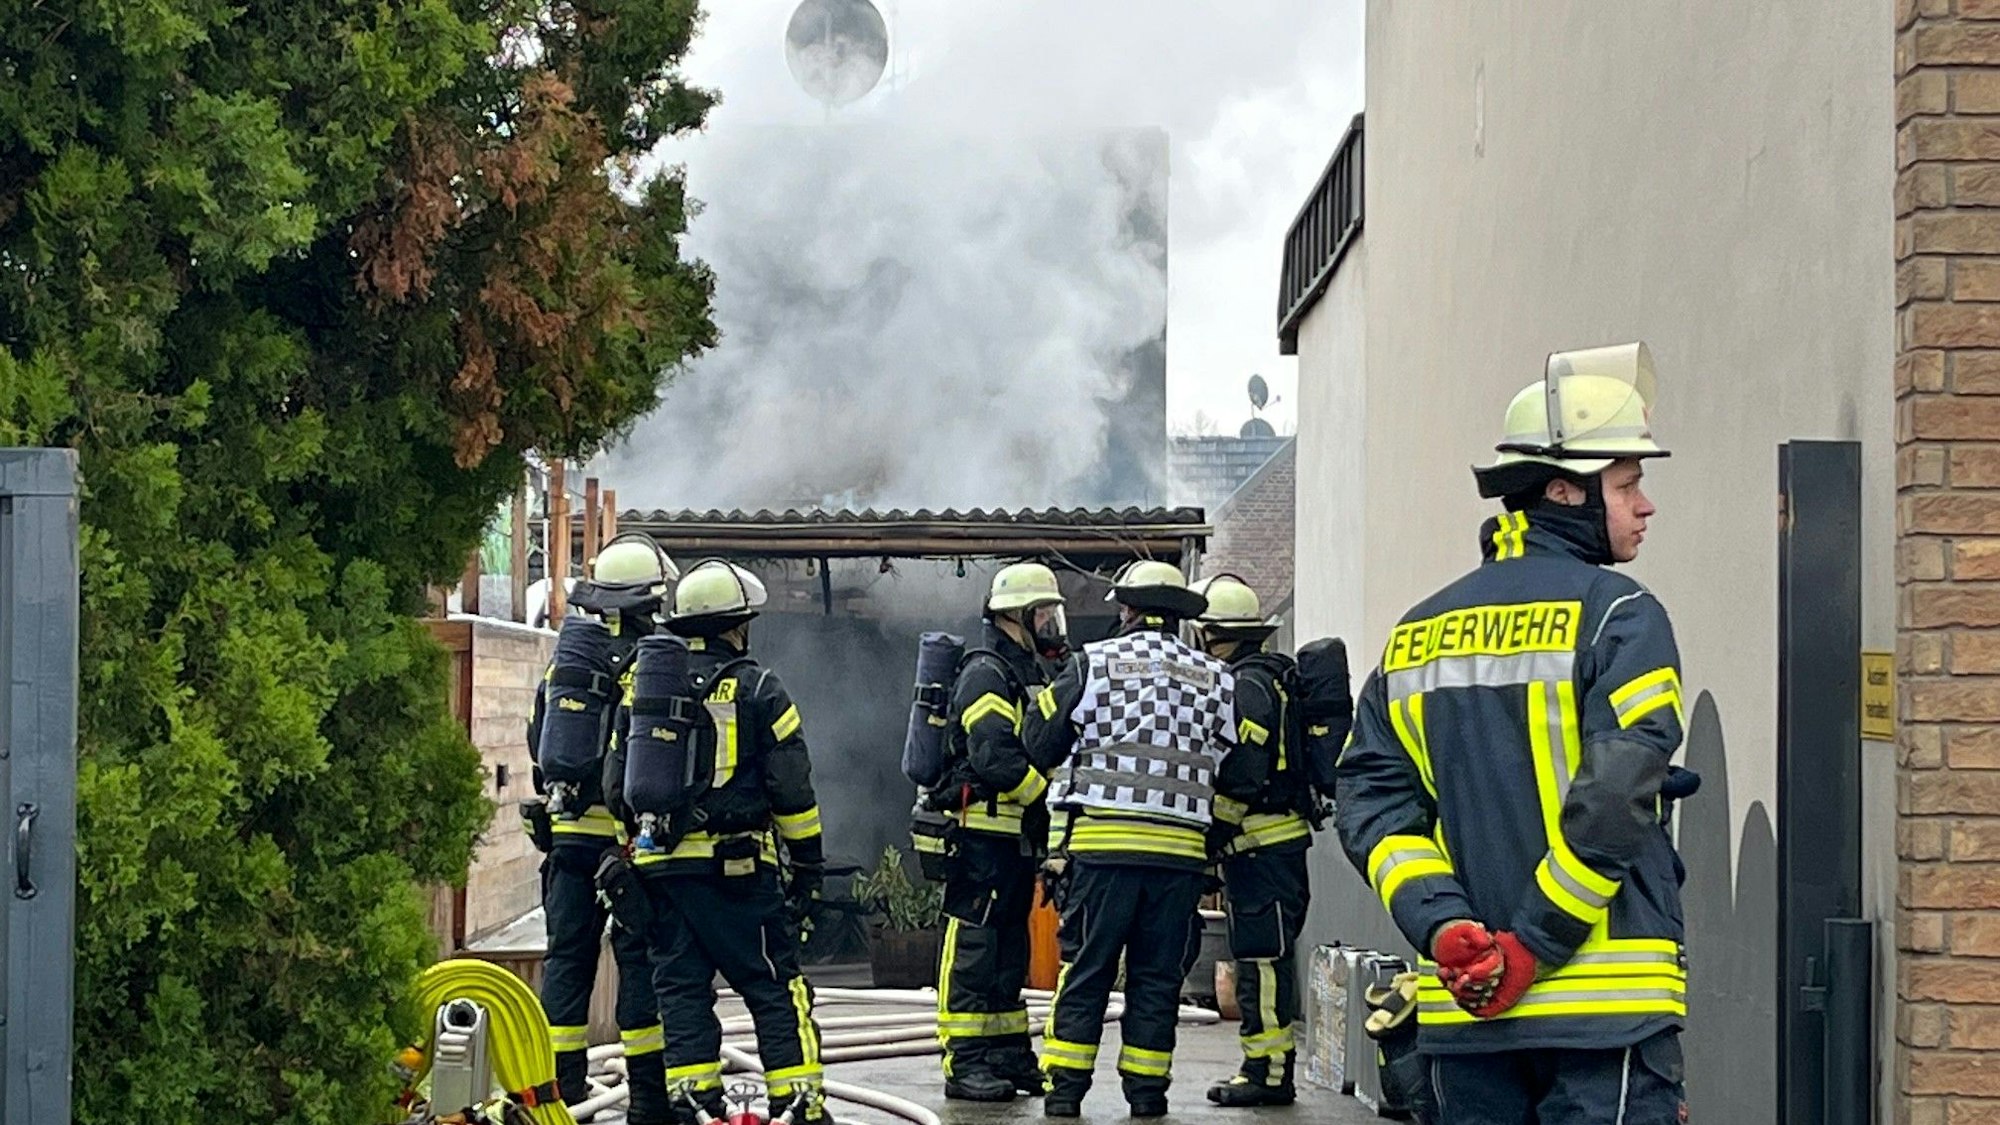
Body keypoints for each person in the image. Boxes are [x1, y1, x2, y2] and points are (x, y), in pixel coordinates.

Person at [1333, 342, 1691, 1124]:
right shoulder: (1620, 616)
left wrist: (1445, 927)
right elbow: (1615, 799)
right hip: (1606, 1019)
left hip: (1466, 1021)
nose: (1645, 505)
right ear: (1565, 491)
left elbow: (1372, 807)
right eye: (1627, 484)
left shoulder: (1415, 636)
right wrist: (1532, 944)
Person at [606, 559, 832, 1125]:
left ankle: (694, 1106)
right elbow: (792, 791)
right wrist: (807, 865)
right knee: (774, 987)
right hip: (738, 876)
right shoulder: (759, 687)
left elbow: (614, 787)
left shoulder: (642, 687)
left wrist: (640, 850)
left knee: (681, 994)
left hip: (660, 873)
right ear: (736, 626)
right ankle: (798, 1105)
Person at [1025, 560, 1238, 1119]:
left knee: (1087, 972)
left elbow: (1039, 740)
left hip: (1104, 854)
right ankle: (1146, 1096)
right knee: (1157, 981)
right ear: (1180, 616)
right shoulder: (1218, 678)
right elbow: (1232, 766)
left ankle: (1065, 1093)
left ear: (1126, 609)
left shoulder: (1092, 663)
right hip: (1180, 861)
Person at [524, 534, 678, 1123]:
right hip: (628, 846)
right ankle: (647, 1101)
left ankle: (560, 1092)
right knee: (639, 962)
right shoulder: (652, 662)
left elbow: (537, 739)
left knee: (567, 960)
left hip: (567, 839)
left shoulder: (569, 662)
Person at [931, 562, 1070, 1102]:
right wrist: (1048, 797)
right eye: (1043, 613)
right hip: (980, 838)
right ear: (1016, 616)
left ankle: (1008, 1055)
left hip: (1013, 841)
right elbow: (994, 756)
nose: (1051, 624)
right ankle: (964, 1062)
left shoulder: (1025, 671)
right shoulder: (986, 672)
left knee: (1010, 950)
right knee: (974, 948)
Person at [1188, 574, 1317, 1108]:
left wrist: (1211, 836)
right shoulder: (1271, 678)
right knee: (1265, 959)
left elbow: (1243, 772)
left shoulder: (1246, 686)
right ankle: (1266, 1067)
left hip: (1262, 849)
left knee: (1262, 963)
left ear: (1214, 634)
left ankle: (1268, 1073)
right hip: (1273, 848)